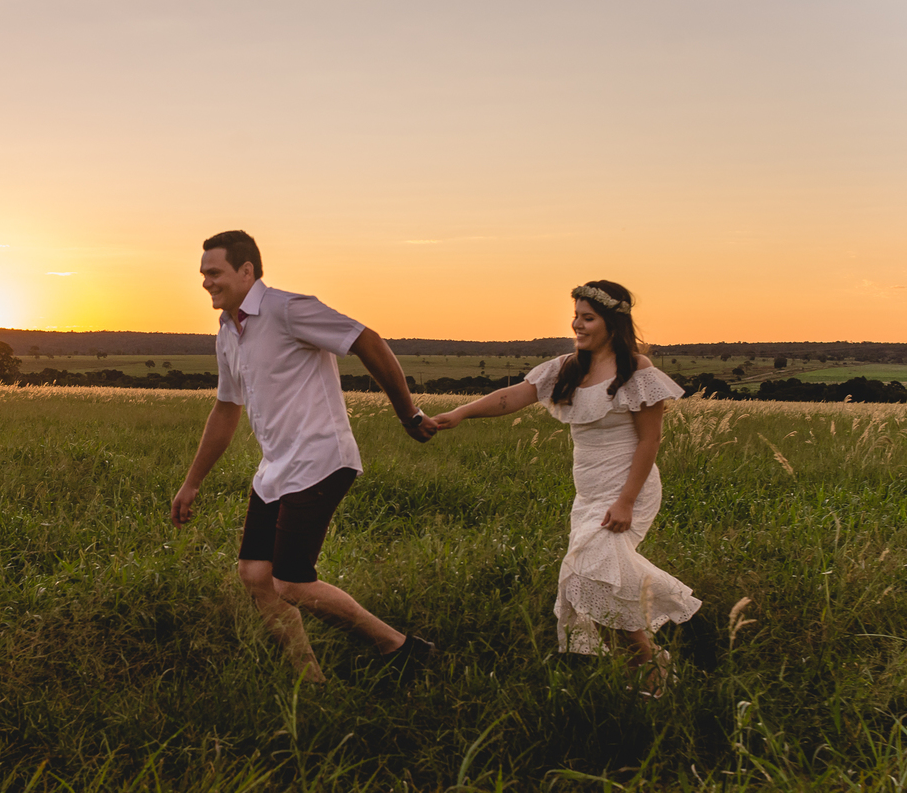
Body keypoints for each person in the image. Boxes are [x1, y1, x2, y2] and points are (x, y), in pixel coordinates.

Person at [171, 230, 438, 684]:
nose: (206, 283)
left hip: (321, 459)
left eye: (214, 273)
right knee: (256, 575)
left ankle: (401, 649)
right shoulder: (227, 333)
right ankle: (309, 681)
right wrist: (192, 481)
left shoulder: (288, 309)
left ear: (247, 271)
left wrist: (408, 414)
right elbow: (226, 408)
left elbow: (367, 340)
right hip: (275, 469)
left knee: (291, 581)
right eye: (203, 275)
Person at [434, 281, 700, 696]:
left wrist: (626, 500)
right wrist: (461, 413)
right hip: (589, 492)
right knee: (590, 583)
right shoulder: (567, 367)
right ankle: (648, 670)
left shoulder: (637, 370)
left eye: (588, 317)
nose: (577, 324)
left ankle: (659, 667)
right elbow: (512, 397)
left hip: (627, 488)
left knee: (591, 573)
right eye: (575, 315)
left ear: (613, 322)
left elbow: (650, 441)